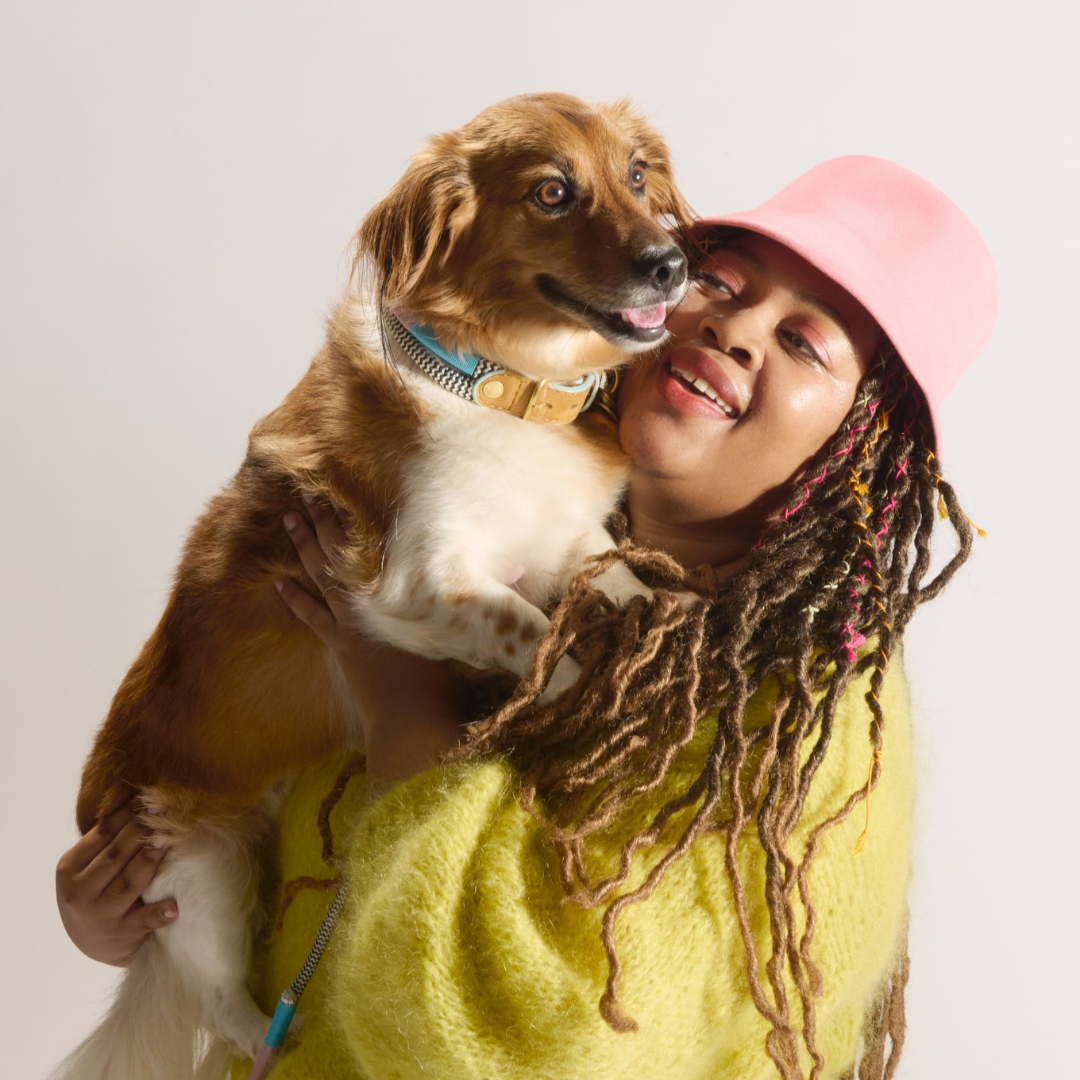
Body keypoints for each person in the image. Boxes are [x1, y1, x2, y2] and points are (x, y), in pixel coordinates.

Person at [55, 155, 997, 1080]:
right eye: (718, 280)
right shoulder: (498, 537)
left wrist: (402, 706)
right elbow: (314, 893)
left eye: (804, 344)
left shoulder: (802, 721)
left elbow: (530, 1041)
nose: (735, 328)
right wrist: (134, 922)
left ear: (864, 451)